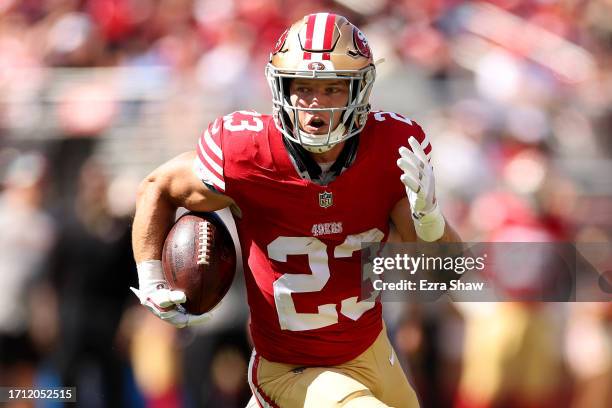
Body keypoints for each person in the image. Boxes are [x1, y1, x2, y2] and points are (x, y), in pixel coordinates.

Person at [131, 13, 460, 408]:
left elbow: (445, 277)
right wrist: (151, 277)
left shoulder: (392, 149)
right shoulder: (246, 153)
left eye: (332, 89)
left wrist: (430, 221)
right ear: (279, 88)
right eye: (302, 87)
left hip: (369, 350)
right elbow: (158, 187)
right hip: (289, 366)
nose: (314, 104)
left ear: (361, 90)